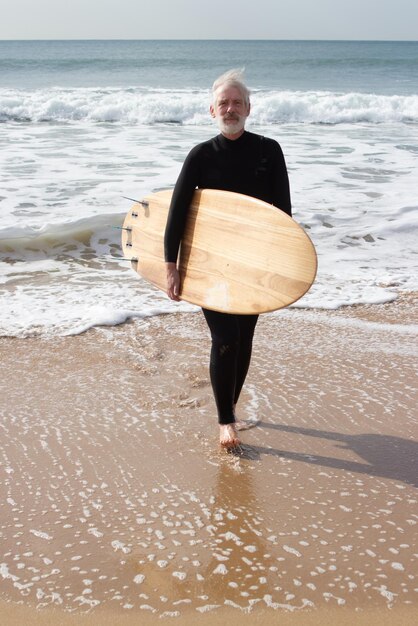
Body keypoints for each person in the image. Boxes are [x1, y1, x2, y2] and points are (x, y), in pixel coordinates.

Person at [164, 69, 291, 449]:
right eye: (224, 103)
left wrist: (279, 267)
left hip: (252, 263)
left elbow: (283, 214)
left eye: (237, 102)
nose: (230, 108)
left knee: (245, 337)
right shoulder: (201, 155)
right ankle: (225, 422)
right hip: (208, 263)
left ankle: (228, 406)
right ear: (211, 110)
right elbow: (177, 211)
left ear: (249, 108)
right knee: (225, 336)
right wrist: (172, 264)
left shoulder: (269, 151)